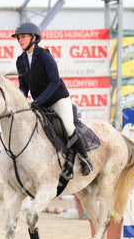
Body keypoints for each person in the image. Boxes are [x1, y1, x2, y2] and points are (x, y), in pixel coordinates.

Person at [12, 22, 93, 175]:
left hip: (58, 99)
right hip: (39, 103)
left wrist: (39, 101)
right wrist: (21, 102)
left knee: (68, 127)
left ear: (34, 37)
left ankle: (85, 159)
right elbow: (23, 86)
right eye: (18, 38)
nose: (20, 40)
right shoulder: (20, 61)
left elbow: (55, 81)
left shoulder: (44, 56)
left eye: (23, 37)